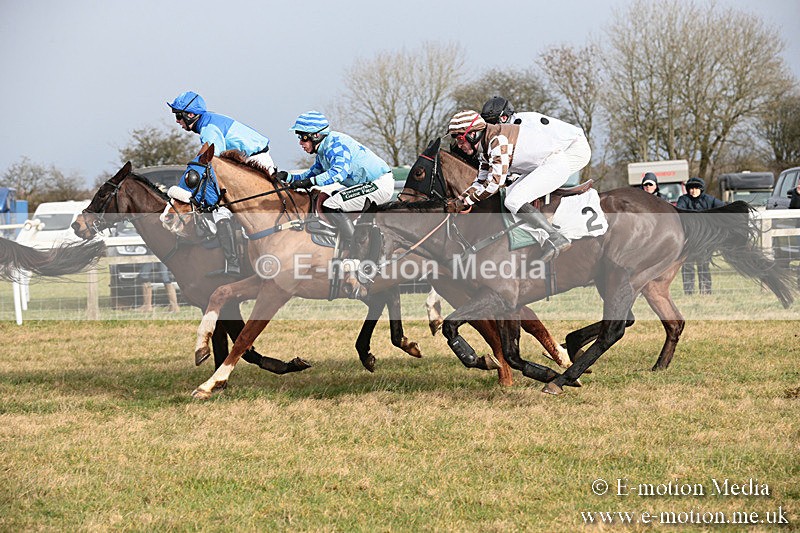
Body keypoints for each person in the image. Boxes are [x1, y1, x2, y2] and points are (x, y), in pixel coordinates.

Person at [446, 109, 591, 261]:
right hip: (543, 165)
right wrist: (462, 197)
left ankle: (555, 237)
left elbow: (494, 184)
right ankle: (546, 237)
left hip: (554, 164)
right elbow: (481, 180)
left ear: (473, 133)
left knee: (513, 200)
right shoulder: (484, 147)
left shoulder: (497, 141)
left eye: (460, 138)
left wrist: (467, 201)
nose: (459, 144)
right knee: (510, 196)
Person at [167, 91, 275, 276]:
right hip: (250, 162)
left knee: (220, 211)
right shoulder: (209, 122)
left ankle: (234, 265)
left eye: (179, 115)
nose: (177, 121)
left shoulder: (209, 128)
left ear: (190, 115)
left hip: (253, 164)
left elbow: (207, 159)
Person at [283, 111, 395, 252]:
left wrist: (310, 182)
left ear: (316, 135)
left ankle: (352, 249)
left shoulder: (336, 145)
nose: (300, 143)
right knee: (332, 198)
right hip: (366, 185)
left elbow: (338, 173)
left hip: (379, 184)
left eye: (303, 137)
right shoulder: (323, 151)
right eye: (299, 137)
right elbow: (311, 174)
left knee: (331, 204)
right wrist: (287, 178)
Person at [677, 177, 725, 295]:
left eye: (696, 188)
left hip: (705, 240)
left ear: (701, 189)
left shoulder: (709, 200)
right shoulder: (683, 199)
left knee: (703, 265)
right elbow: (680, 212)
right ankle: (689, 292)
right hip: (688, 239)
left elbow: (723, 208)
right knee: (687, 266)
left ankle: (706, 291)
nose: (693, 191)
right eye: (691, 188)